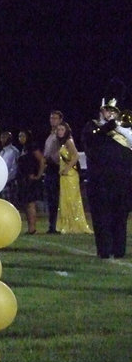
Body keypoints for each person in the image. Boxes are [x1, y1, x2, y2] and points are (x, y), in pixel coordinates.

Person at [81, 92, 132, 258]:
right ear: (101, 111)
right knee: (102, 217)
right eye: (107, 110)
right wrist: (106, 128)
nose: (110, 113)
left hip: (122, 181)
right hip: (99, 182)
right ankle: (104, 250)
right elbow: (90, 141)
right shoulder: (92, 126)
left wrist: (118, 127)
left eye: (113, 111)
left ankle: (119, 250)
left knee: (120, 217)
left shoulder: (124, 130)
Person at [54, 122, 91, 234]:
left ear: (66, 131)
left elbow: (75, 156)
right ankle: (67, 224)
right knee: (65, 199)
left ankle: (74, 224)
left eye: (62, 129)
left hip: (70, 175)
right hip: (64, 175)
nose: (60, 131)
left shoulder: (69, 141)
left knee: (72, 199)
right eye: (58, 129)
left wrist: (67, 168)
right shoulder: (61, 143)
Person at [16, 130, 45, 234]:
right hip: (23, 179)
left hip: (30, 179)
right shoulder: (24, 148)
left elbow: (41, 160)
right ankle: (30, 228)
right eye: (19, 136)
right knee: (26, 204)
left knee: (30, 204)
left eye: (23, 136)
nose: (21, 138)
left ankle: (32, 228)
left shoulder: (32, 146)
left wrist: (39, 175)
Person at [42, 110, 64, 233]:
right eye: (51, 118)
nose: (52, 120)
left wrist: (52, 158)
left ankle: (56, 225)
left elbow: (64, 149)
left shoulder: (61, 134)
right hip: (50, 167)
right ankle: (52, 225)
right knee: (50, 198)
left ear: (60, 120)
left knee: (55, 198)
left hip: (56, 167)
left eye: (55, 118)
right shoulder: (51, 135)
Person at [0, 130, 19, 204]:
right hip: (1, 182)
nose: (2, 140)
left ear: (10, 138)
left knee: (9, 203)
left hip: (9, 183)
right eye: (1, 137)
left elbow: (14, 168)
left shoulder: (13, 151)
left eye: (4, 137)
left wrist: (6, 180)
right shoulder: (2, 152)